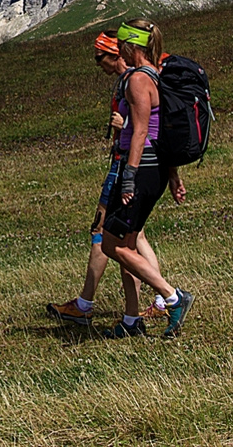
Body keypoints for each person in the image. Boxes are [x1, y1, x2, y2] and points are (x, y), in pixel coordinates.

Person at [45, 31, 170, 326]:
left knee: (108, 233)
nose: (97, 63)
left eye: (99, 56)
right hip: (129, 162)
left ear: (116, 54)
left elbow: (142, 125)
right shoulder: (133, 78)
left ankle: (162, 298)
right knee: (133, 235)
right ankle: (139, 310)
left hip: (128, 163)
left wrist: (127, 167)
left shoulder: (135, 79)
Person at [100, 18, 192, 339]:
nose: (120, 49)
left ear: (132, 46)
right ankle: (130, 320)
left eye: (123, 43)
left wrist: (128, 178)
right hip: (154, 169)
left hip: (140, 169)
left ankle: (172, 297)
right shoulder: (156, 75)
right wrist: (173, 176)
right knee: (127, 242)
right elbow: (161, 131)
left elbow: (140, 131)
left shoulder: (138, 80)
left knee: (112, 244)